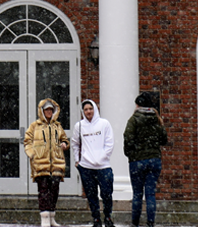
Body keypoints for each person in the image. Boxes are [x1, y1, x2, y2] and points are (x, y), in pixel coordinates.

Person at [123, 92, 168, 227]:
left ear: (138, 104)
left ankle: (135, 223)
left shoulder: (134, 120)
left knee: (137, 194)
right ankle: (150, 223)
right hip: (154, 160)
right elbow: (164, 140)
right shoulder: (157, 119)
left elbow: (128, 139)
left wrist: (130, 155)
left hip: (137, 161)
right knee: (150, 194)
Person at [24, 98, 68, 227]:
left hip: (56, 164)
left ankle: (52, 217)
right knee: (43, 191)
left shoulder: (57, 126)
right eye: (46, 110)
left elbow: (64, 139)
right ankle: (44, 218)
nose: (49, 112)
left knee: (54, 190)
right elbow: (27, 141)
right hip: (40, 164)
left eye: (50, 110)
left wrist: (65, 144)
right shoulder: (34, 126)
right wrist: (32, 154)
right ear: (42, 111)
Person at [70, 99, 114, 227]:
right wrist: (77, 161)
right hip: (86, 167)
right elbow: (75, 144)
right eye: (86, 109)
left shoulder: (104, 124)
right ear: (83, 112)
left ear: (95, 109)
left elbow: (109, 143)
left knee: (106, 193)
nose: (88, 111)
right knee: (91, 195)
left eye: (90, 108)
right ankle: (96, 219)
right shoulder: (79, 126)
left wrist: (101, 158)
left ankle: (108, 217)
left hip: (104, 167)